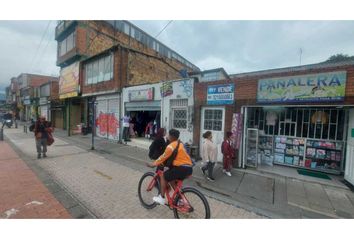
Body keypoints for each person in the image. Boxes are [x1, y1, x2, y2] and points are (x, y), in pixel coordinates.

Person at [147, 129, 193, 205]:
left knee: (163, 176)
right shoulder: (180, 143)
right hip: (188, 168)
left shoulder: (170, 146)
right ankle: (180, 199)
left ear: (171, 137)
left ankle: (161, 198)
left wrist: (153, 164)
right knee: (171, 179)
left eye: (168, 134)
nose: (167, 136)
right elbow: (176, 157)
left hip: (181, 168)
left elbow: (163, 157)